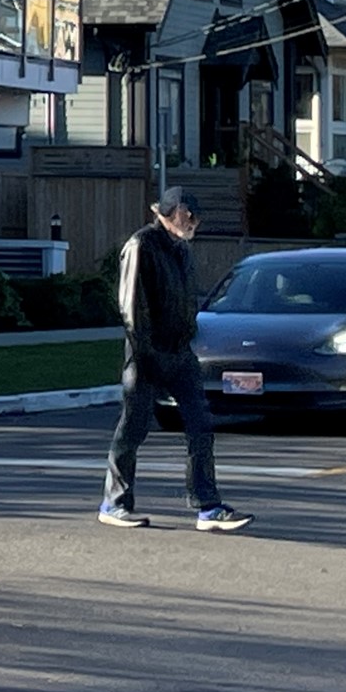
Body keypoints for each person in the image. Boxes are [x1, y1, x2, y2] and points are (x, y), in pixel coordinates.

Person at [99, 190, 250, 532]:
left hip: (180, 353)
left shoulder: (181, 249)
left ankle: (207, 506)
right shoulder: (142, 245)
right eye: (188, 215)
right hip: (147, 354)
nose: (194, 222)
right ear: (172, 213)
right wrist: (146, 354)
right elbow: (132, 308)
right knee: (134, 428)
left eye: (195, 216)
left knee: (200, 424)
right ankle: (114, 503)